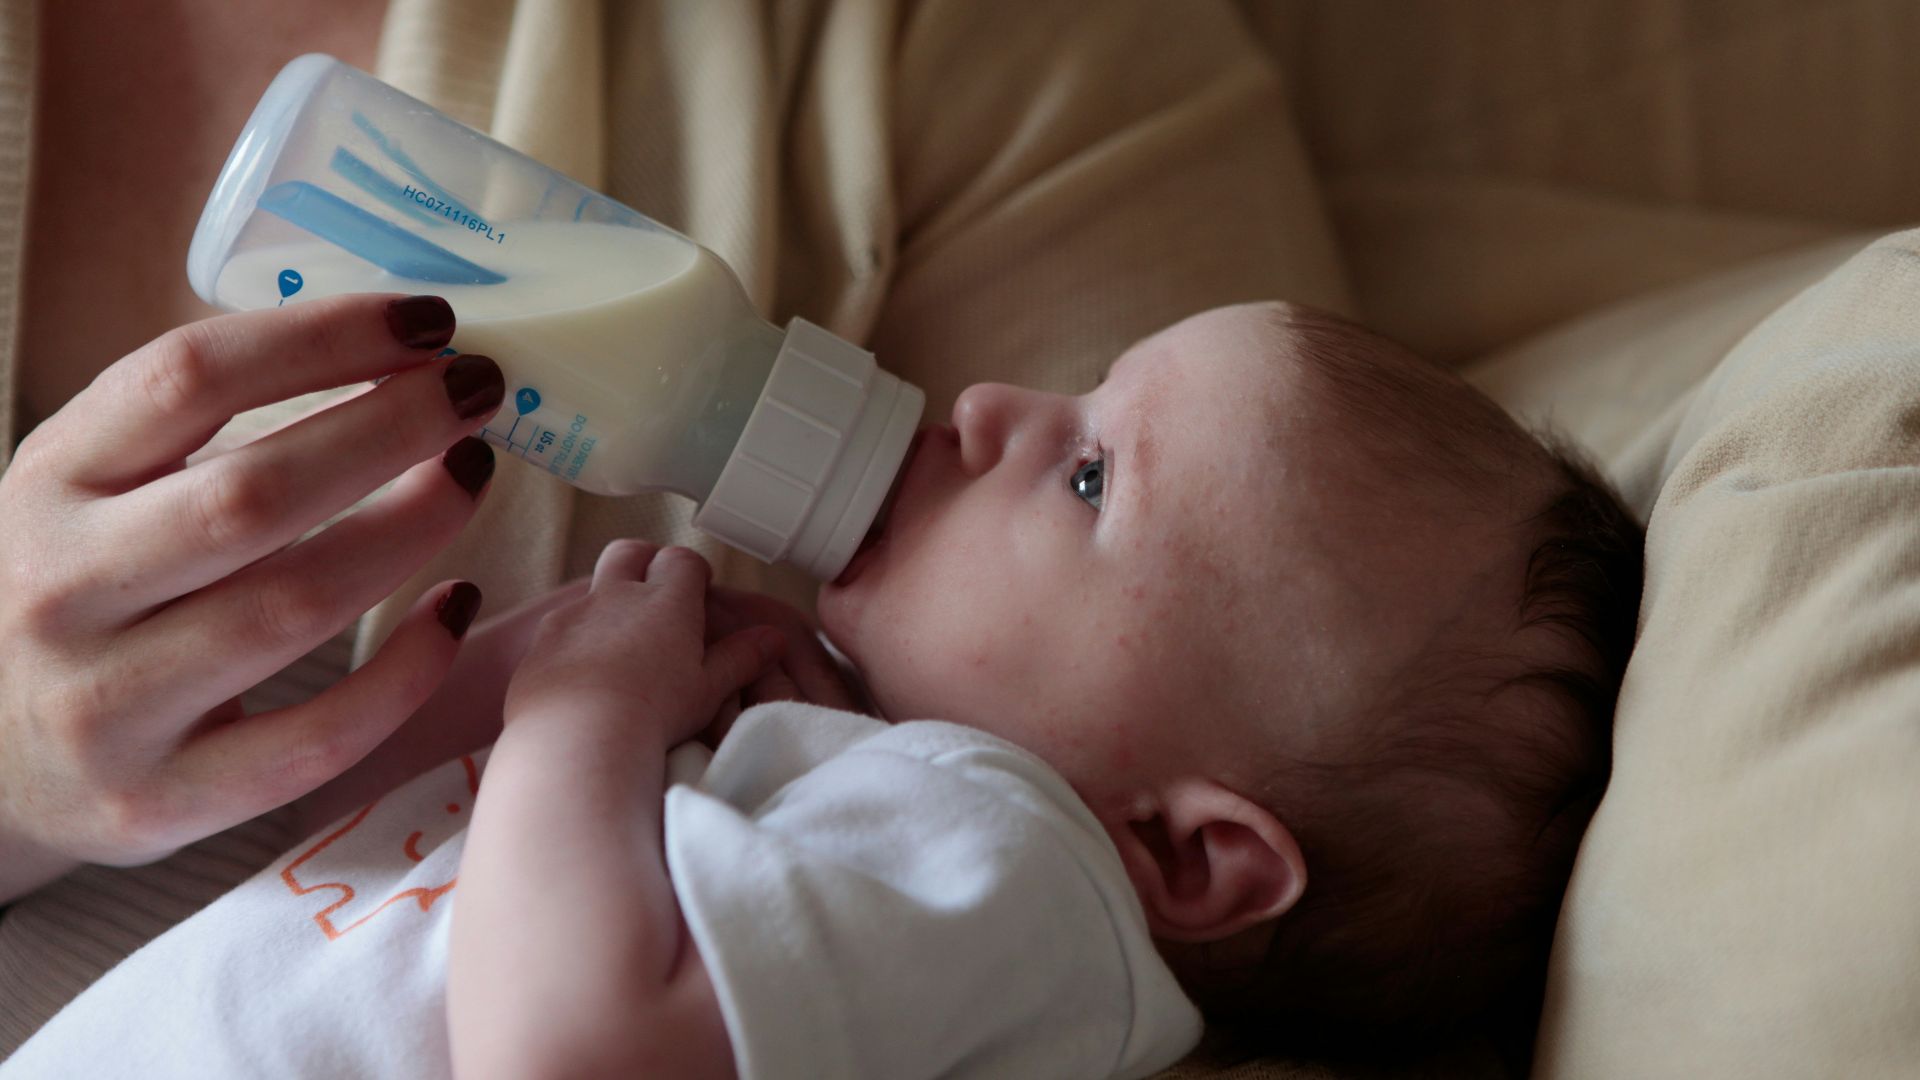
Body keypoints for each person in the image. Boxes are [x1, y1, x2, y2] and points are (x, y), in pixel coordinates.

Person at [0, 301, 1645, 1078]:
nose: (997, 397)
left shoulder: (1019, 877)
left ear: (1186, 858)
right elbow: (379, 863)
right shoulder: (861, 806)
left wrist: (589, 716)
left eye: (1086, 479)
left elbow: (564, 1052)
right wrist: (522, 685)